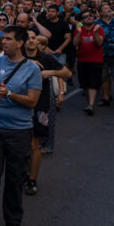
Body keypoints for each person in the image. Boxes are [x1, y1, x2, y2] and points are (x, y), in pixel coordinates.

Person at [0, 26, 42, 226]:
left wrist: (10, 95)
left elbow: (32, 101)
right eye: (3, 39)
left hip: (19, 131)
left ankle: (13, 220)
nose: (3, 42)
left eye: (8, 39)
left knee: (15, 178)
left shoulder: (32, 69)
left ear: (20, 43)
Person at [22, 30, 69, 195]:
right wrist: (28, 63)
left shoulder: (46, 57)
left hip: (40, 105)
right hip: (19, 104)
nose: (31, 41)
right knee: (19, 143)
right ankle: (21, 172)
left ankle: (32, 179)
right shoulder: (17, 56)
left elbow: (67, 73)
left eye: (34, 38)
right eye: (28, 38)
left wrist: (50, 72)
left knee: (34, 144)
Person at [73, 10, 105, 114]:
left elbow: (100, 43)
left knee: (93, 83)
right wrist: (78, 32)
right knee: (85, 85)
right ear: (82, 20)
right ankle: (89, 103)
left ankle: (91, 105)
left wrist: (95, 33)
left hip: (96, 61)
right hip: (82, 60)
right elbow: (75, 43)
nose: (88, 17)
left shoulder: (99, 28)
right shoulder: (79, 29)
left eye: (90, 15)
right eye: (85, 16)